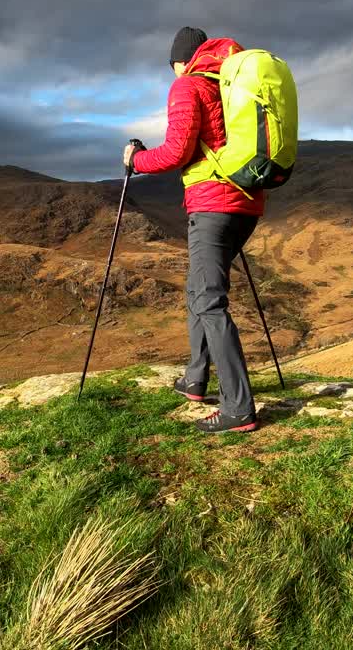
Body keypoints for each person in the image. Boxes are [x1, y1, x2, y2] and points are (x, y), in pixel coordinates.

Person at [124, 27, 264, 433]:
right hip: (247, 202)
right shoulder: (233, 86)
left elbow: (177, 151)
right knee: (198, 291)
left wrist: (137, 160)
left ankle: (238, 407)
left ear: (179, 61)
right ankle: (195, 378)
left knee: (208, 301)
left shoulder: (188, 86)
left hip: (212, 204)